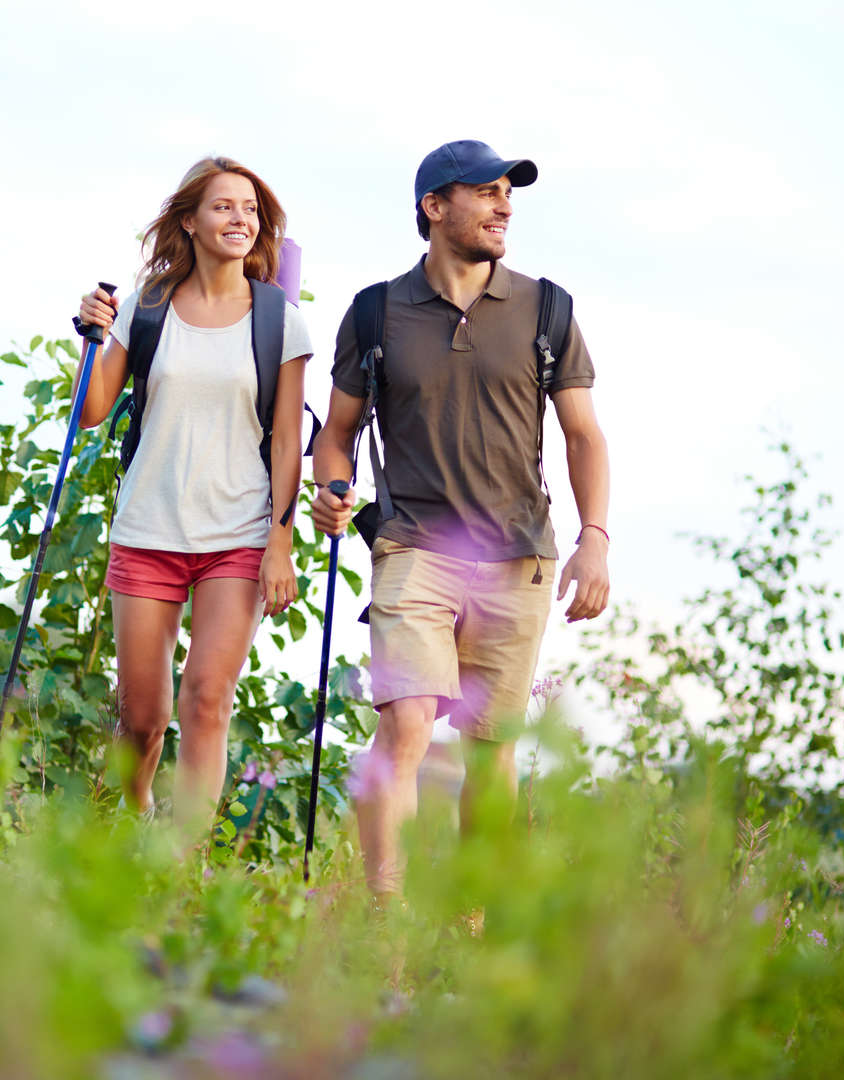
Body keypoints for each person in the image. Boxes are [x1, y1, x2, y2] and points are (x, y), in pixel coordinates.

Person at [310, 140, 610, 901]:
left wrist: (594, 539)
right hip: (413, 546)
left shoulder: (548, 309)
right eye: (485, 191)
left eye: (509, 192)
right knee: (407, 721)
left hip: (520, 556)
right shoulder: (376, 312)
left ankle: (470, 922)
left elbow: (583, 435)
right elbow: (336, 434)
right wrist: (334, 485)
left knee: (491, 748)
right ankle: (386, 918)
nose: (504, 204)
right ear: (434, 207)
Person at [72, 157, 313, 837]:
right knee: (142, 719)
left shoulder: (278, 320)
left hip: (237, 536)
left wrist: (281, 542)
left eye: (250, 209)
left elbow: (287, 441)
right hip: (149, 530)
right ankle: (131, 825)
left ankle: (184, 865)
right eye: (224, 207)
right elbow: (90, 411)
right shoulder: (148, 307)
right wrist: (89, 338)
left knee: (207, 698)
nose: (241, 220)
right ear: (190, 221)